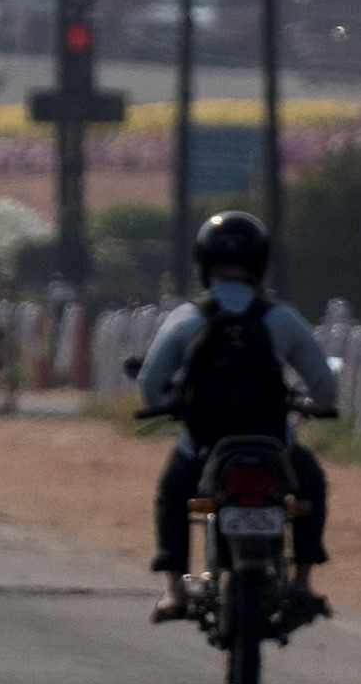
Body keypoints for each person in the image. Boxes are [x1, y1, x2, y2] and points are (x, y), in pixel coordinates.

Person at [134, 207, 340, 620]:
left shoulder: (187, 318)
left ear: (203, 262)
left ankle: (175, 589)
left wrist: (169, 399)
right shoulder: (281, 318)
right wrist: (315, 405)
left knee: (173, 494)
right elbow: (324, 383)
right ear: (261, 263)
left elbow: (149, 384)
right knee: (310, 487)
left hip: (203, 446)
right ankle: (301, 582)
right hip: (272, 444)